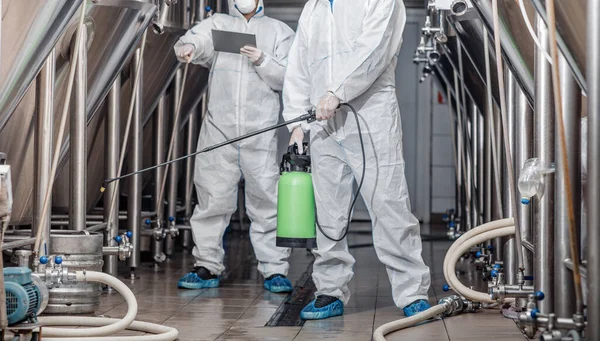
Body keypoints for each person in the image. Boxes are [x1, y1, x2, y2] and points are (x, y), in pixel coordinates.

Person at [282, 0, 432, 319]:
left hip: (370, 112)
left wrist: (337, 91)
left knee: (387, 202)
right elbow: (300, 64)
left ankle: (412, 291)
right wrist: (296, 123)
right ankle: (330, 290)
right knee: (329, 209)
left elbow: (375, 48)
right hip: (321, 118)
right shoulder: (315, 7)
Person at [173, 0, 295, 293]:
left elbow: (288, 78)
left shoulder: (279, 32)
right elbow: (196, 40)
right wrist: (187, 48)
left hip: (260, 132)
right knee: (212, 200)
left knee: (267, 203)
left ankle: (275, 269)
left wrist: (262, 59)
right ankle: (206, 266)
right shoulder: (219, 24)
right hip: (220, 131)